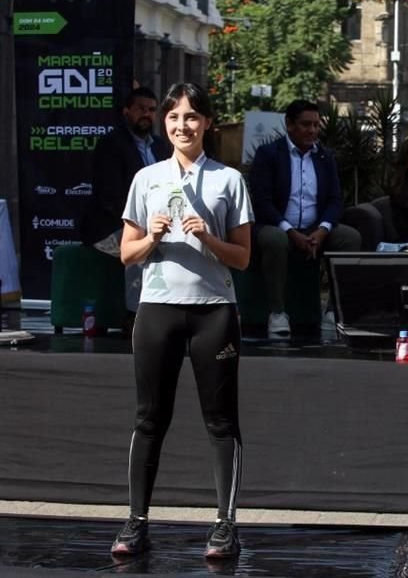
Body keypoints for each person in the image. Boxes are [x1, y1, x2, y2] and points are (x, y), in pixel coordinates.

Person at [111, 83, 253, 559]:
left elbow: (243, 258)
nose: (182, 126)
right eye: (174, 118)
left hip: (213, 312)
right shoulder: (146, 178)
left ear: (207, 123)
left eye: (192, 117)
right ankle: (136, 521)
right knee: (149, 418)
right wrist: (150, 237)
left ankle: (224, 524)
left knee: (220, 421)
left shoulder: (228, 180)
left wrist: (208, 237)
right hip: (157, 310)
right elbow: (127, 255)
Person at [249, 99, 361, 335]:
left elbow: (335, 199)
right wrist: (290, 231)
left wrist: (322, 230)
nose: (312, 131)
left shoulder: (325, 157)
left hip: (314, 228)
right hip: (276, 226)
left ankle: (332, 312)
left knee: (350, 238)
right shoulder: (268, 154)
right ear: (289, 124)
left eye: (316, 125)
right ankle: (277, 313)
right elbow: (262, 202)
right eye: (305, 124)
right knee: (275, 239)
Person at [83, 87, 171, 322]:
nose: (147, 114)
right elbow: (110, 198)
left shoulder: (161, 147)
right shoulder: (111, 144)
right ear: (126, 111)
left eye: (152, 110)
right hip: (109, 226)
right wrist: (143, 227)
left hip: (154, 222)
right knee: (143, 247)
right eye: (140, 109)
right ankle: (136, 318)